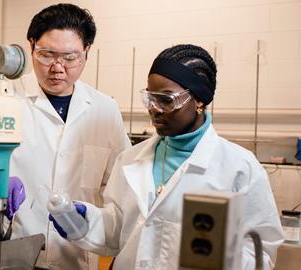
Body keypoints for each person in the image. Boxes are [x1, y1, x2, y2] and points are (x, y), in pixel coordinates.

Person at [49, 44, 284, 269]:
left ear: (199, 100)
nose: (154, 108)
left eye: (166, 100)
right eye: (151, 98)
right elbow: (119, 227)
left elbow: (262, 251)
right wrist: (83, 221)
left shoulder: (239, 167)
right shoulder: (130, 159)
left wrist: (221, 253)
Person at [5, 3, 131, 270]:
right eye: (47, 55)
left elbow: (120, 190)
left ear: (87, 52)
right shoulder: (3, 98)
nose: (57, 68)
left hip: (77, 255)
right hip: (14, 249)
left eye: (70, 57)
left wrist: (97, 221)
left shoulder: (104, 110)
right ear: (31, 46)